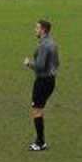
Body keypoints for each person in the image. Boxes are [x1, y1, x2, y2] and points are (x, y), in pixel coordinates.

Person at [23, 19, 58, 151]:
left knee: (36, 110)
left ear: (43, 30)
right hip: (51, 80)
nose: (35, 30)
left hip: (42, 81)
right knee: (39, 109)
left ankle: (40, 142)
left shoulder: (44, 45)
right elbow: (56, 64)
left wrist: (28, 64)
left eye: (37, 28)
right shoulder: (53, 43)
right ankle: (40, 141)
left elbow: (40, 66)